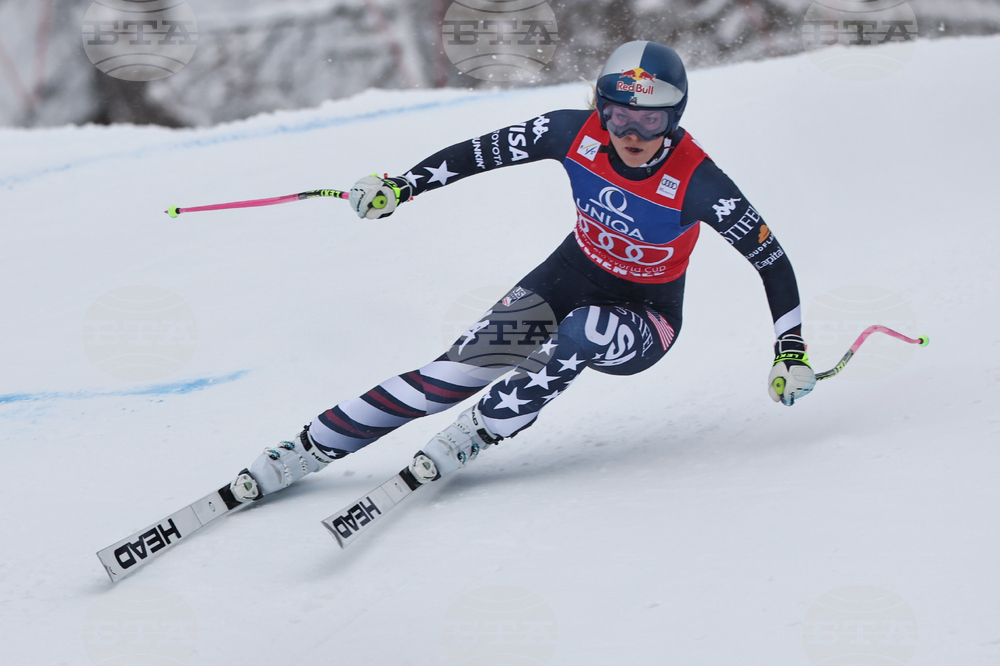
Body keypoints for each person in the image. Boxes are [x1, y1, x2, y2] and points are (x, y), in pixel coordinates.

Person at [226, 41, 816, 504]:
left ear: (675, 118)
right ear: (600, 109)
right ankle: (308, 447)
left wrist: (790, 349)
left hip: (647, 317)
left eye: (650, 122)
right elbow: (479, 152)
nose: (631, 135)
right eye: (617, 116)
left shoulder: (698, 182)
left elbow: (771, 259)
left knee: (585, 328)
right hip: (568, 275)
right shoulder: (570, 132)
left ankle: (485, 425)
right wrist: (402, 185)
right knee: (451, 372)